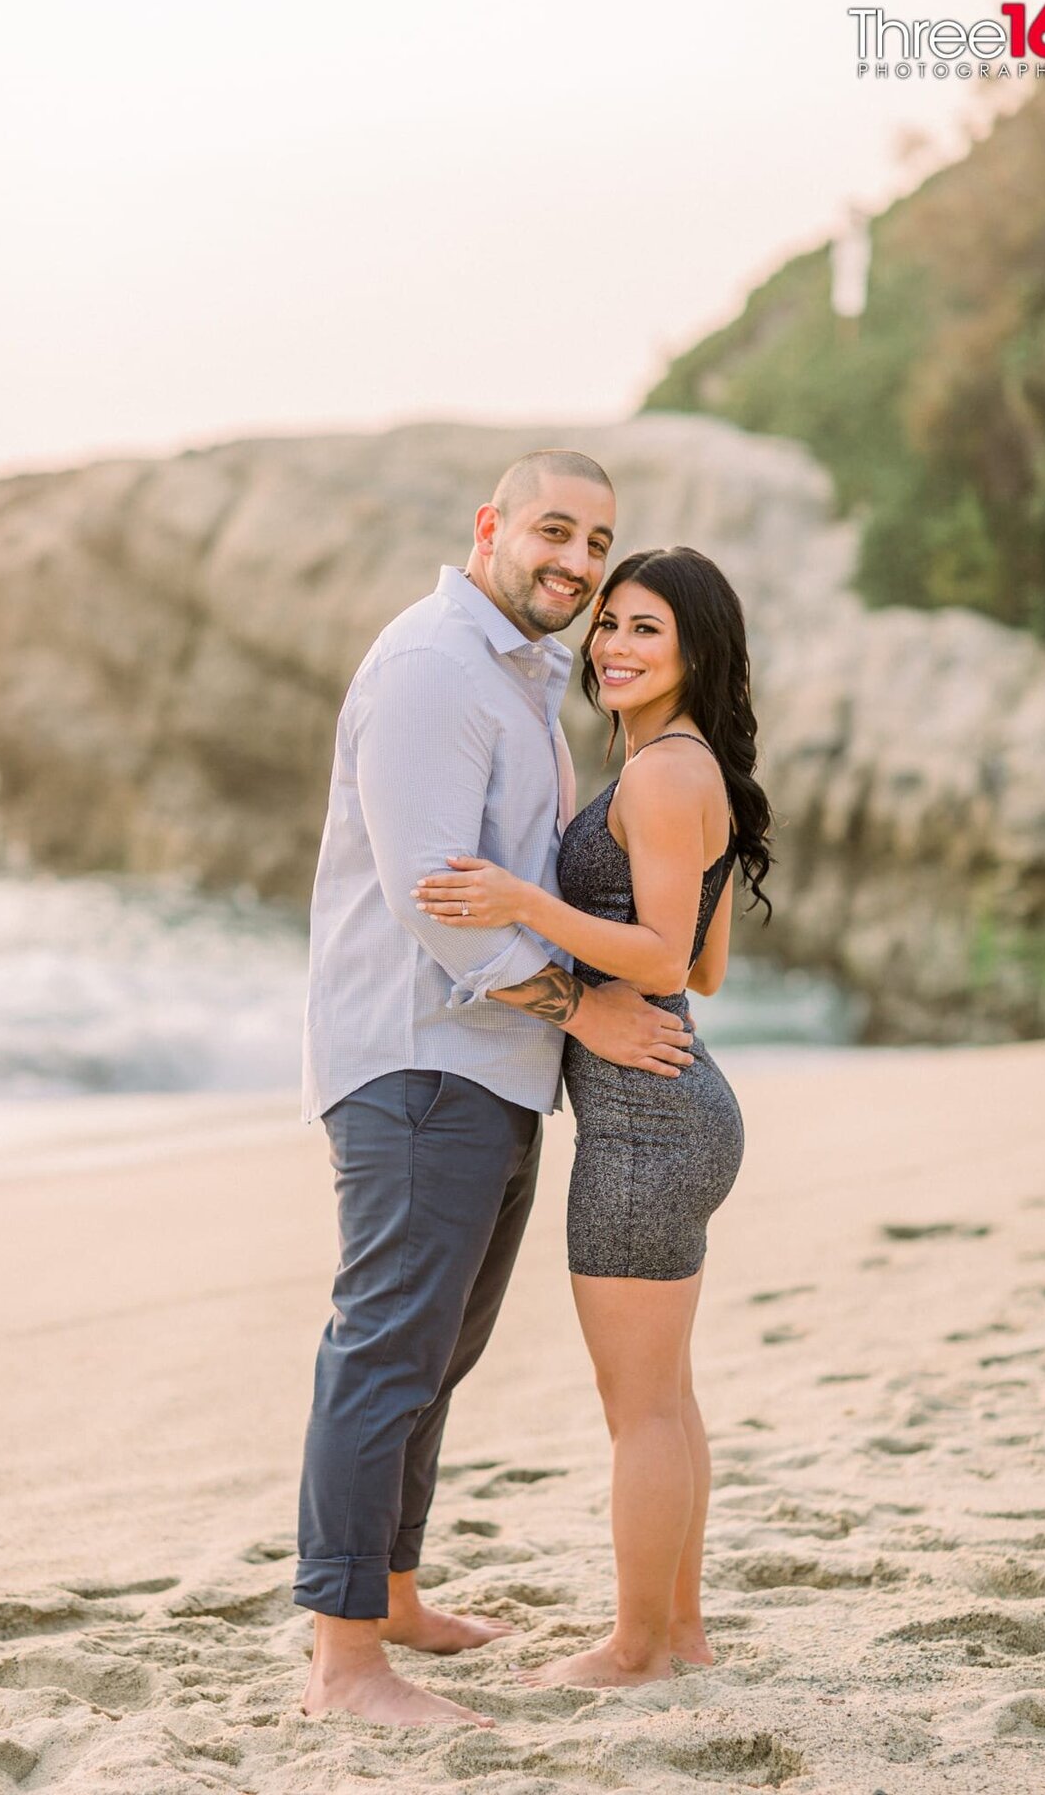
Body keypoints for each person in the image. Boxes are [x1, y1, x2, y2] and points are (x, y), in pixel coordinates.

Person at [297, 454, 697, 1727]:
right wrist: (588, 1006)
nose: (577, 564)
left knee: (439, 1352)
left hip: (490, 1070)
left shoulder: (515, 679)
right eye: (554, 533)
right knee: (386, 1350)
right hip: (420, 1058)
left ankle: (395, 1592)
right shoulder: (433, 670)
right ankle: (347, 1663)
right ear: (492, 528)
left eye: (599, 543)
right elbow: (439, 905)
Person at [415, 545, 775, 1689]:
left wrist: (524, 898)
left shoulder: (666, 775)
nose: (613, 646)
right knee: (663, 1397)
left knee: (640, 1411)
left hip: (646, 1128)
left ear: (694, 651)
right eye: (608, 623)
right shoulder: (681, 766)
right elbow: (704, 967)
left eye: (645, 630)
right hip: (675, 1108)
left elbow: (665, 956)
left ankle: (633, 1649)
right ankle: (680, 1634)